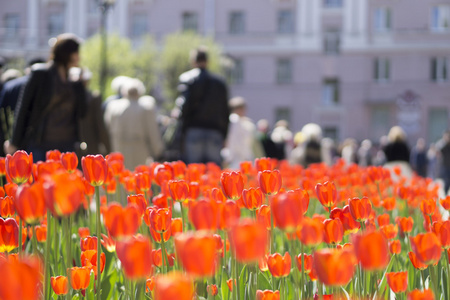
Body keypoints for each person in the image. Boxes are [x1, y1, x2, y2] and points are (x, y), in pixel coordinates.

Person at [5, 33, 87, 162]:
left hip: (68, 144)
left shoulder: (74, 81)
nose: (79, 57)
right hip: (41, 143)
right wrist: (14, 142)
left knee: (65, 181)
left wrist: (81, 86)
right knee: (40, 181)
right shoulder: (40, 74)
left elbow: (82, 112)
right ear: (67, 53)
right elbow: (23, 108)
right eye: (76, 52)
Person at [178, 47, 230, 166]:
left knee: (194, 171)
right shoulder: (220, 82)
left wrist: (182, 128)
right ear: (207, 61)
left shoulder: (188, 79)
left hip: (194, 129)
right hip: (215, 131)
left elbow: (184, 106)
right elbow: (225, 110)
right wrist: (224, 134)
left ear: (193, 61)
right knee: (214, 172)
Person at [104, 78, 163, 170]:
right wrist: (158, 151)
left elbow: (107, 128)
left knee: (121, 177)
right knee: (137, 176)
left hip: (118, 147)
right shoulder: (145, 107)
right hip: (139, 149)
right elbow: (152, 132)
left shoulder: (113, 106)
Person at [0, 59, 45, 156]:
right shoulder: (46, 87)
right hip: (36, 139)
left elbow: (3, 113)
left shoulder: (9, 86)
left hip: (12, 138)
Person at [70, 67, 111, 156]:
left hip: (69, 149)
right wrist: (108, 149)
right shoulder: (93, 98)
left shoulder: (65, 99)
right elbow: (100, 126)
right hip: (89, 149)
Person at [222, 96, 263, 169]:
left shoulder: (244, 121)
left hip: (243, 156)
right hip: (237, 156)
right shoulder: (234, 120)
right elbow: (233, 140)